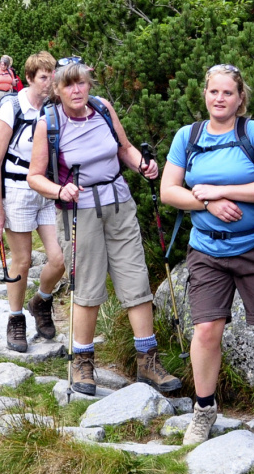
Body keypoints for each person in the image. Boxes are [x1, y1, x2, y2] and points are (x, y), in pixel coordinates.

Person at [28, 59, 180, 396]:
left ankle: (147, 360)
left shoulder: (102, 109)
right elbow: (34, 177)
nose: (77, 90)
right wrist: (59, 190)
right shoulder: (48, 124)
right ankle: (83, 362)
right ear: (57, 90)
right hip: (78, 211)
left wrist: (142, 165)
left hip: (119, 203)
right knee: (87, 285)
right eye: (68, 85)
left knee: (136, 278)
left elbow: (123, 149)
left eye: (81, 82)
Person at [159, 64, 254, 445]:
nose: (219, 99)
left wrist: (218, 193)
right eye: (213, 92)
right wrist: (207, 206)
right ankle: (204, 410)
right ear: (205, 94)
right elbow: (169, 191)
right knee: (205, 330)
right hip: (206, 249)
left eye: (227, 93)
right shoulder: (188, 136)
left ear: (240, 98)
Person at [0, 52, 66, 353]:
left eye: (52, 76)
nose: (49, 83)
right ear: (31, 78)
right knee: (22, 260)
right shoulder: (13, 108)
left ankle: (41, 301)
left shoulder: (51, 109)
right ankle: (15, 319)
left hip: (44, 188)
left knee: (58, 259)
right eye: (43, 77)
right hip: (16, 189)